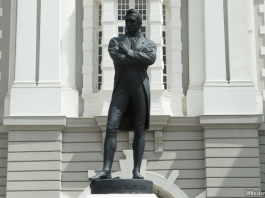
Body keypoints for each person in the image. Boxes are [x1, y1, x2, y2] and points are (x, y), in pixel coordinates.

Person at [89, 9, 156, 181]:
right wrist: (134, 57)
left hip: (140, 87)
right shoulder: (115, 41)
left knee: (139, 129)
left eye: (132, 21)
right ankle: (106, 170)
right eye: (126, 21)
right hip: (122, 87)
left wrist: (128, 52)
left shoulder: (149, 43)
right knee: (111, 126)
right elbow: (118, 59)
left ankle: (136, 170)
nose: (128, 24)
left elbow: (150, 59)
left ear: (140, 24)